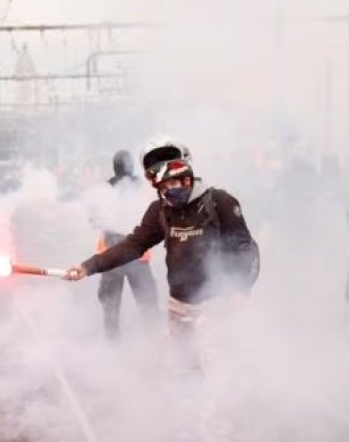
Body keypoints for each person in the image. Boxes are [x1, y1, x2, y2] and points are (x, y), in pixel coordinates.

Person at [64, 138, 260, 358]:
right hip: (180, 306)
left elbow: (247, 249)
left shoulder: (220, 202)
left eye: (174, 184)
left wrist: (241, 289)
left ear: (187, 177)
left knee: (220, 368)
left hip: (217, 304)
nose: (169, 191)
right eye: (163, 187)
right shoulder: (159, 210)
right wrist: (87, 267)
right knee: (184, 368)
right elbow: (133, 245)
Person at [93, 150, 159, 339]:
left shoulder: (103, 189)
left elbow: (94, 219)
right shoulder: (143, 188)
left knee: (110, 308)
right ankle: (155, 343)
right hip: (138, 254)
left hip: (110, 254)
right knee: (148, 304)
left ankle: (113, 346)